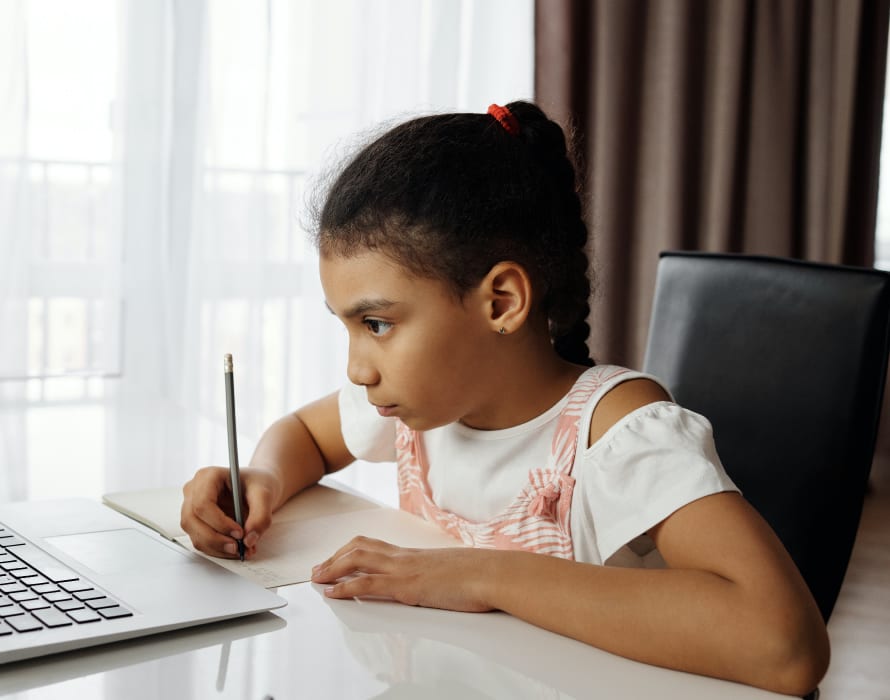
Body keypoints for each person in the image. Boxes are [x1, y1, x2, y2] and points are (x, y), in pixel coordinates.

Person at [180, 101, 829, 695]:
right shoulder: (423, 408)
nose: (356, 369)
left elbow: (786, 644)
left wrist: (475, 575)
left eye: (377, 325)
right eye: (346, 326)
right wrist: (261, 476)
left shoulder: (617, 432)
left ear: (501, 302)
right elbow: (308, 436)